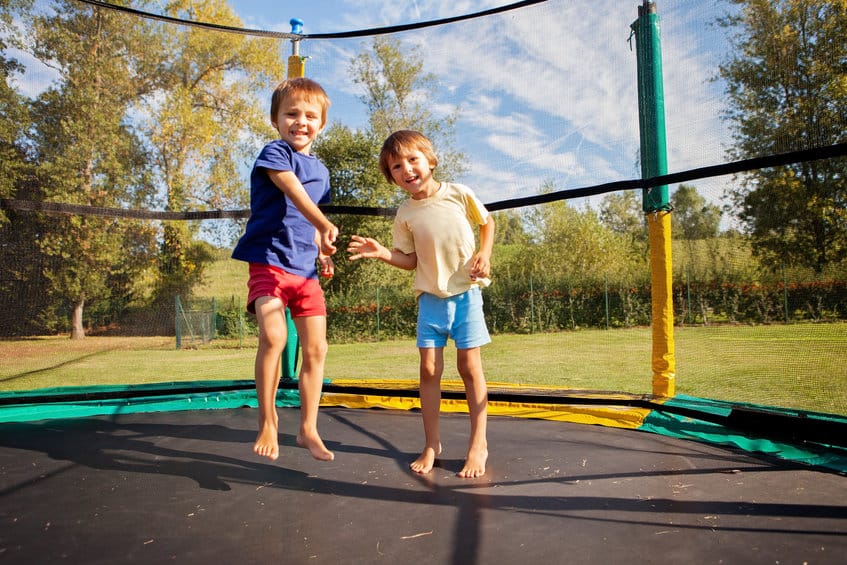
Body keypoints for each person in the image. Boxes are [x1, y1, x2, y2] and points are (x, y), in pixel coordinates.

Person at [347, 130, 495, 478]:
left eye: (412, 160)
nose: (406, 169)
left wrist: (484, 254)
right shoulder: (405, 214)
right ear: (391, 176)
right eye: (396, 166)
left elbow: (487, 222)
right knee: (428, 370)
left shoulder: (458, 193)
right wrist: (383, 253)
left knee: (469, 368)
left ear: (430, 161)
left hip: (466, 294)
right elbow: (410, 260)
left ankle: (479, 444)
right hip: (430, 299)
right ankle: (432, 444)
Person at [232, 77, 337, 463]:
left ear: (321, 124)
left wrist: (323, 251)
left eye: (310, 116)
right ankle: (268, 420)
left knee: (317, 348)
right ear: (275, 120)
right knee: (274, 338)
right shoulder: (275, 153)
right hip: (270, 262)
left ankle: (308, 427)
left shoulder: (322, 171)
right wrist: (324, 223)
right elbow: (292, 189)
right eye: (291, 114)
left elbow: (315, 221)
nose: (301, 122)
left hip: (305, 273)